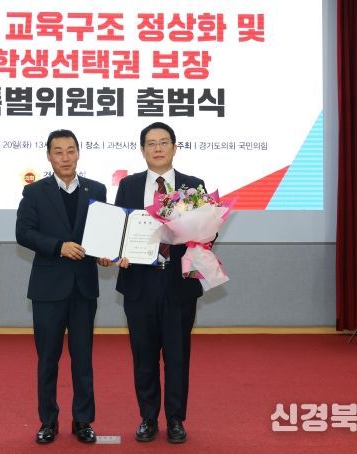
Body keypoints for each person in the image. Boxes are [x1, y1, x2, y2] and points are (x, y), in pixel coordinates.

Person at [114, 122, 206, 444]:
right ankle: (148, 417)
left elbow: (207, 233)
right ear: (142, 150)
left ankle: (176, 419)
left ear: (174, 147)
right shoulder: (128, 185)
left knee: (178, 356)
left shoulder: (193, 185)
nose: (157, 148)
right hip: (139, 283)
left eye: (163, 142)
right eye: (151, 143)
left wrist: (196, 234)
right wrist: (118, 252)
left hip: (179, 283)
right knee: (144, 356)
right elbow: (120, 231)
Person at [16, 129, 107, 444]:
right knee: (47, 360)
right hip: (48, 289)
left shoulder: (97, 189)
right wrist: (59, 247)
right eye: (58, 151)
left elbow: (102, 233)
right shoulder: (35, 192)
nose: (65, 157)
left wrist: (106, 253)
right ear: (49, 156)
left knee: (83, 359)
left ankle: (83, 421)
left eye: (71, 150)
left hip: (84, 288)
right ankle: (48, 421)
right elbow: (24, 233)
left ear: (79, 153)